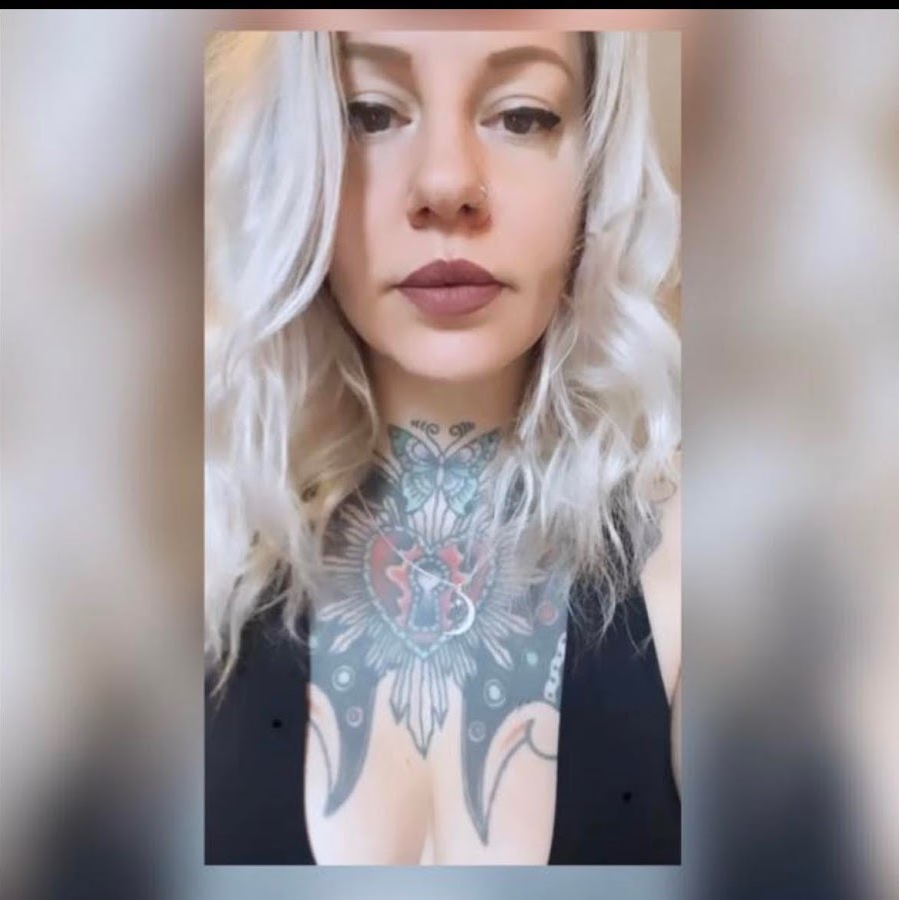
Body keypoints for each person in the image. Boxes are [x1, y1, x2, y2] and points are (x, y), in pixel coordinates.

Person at [204, 29, 681, 865]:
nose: (447, 185)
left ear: (597, 163)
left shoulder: (710, 581)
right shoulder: (177, 559)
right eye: (370, 112)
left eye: (523, 114)